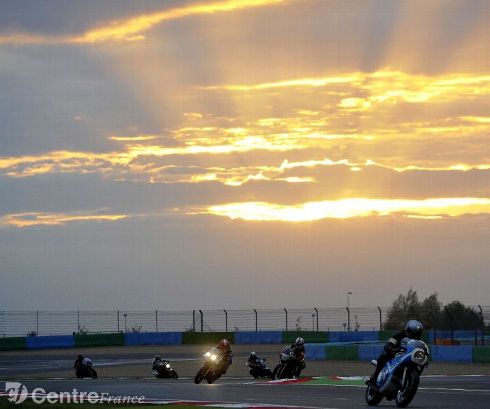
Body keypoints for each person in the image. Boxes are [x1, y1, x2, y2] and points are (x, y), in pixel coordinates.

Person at [368, 320, 424, 385]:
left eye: (416, 333)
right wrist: (390, 349)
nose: (413, 334)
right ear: (407, 330)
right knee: (384, 354)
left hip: (409, 357)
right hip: (396, 354)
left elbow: (423, 349)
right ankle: (375, 376)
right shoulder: (400, 335)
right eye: (412, 332)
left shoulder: (420, 342)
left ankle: (409, 380)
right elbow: (390, 342)